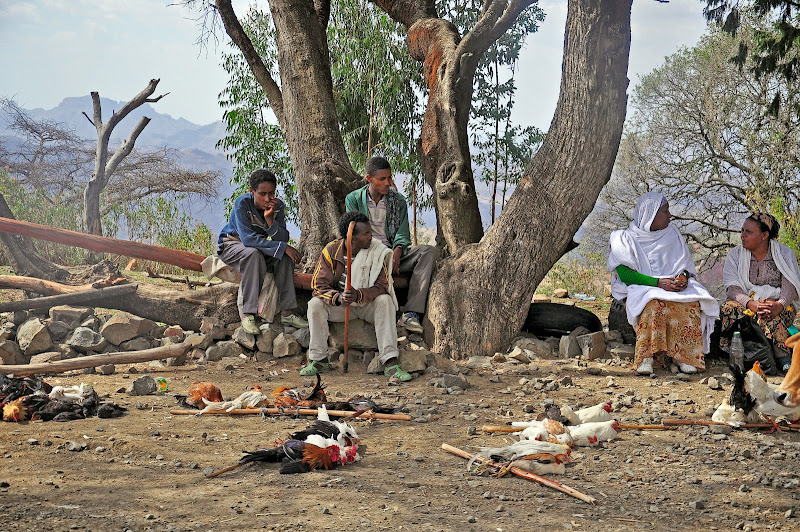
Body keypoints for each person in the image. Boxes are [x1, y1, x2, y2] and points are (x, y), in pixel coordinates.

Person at [607, 191, 719, 375]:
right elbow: (625, 274)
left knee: (690, 302)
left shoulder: (672, 234)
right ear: (650, 215)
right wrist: (658, 283)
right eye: (665, 211)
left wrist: (682, 279)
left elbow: (685, 266)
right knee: (652, 304)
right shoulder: (623, 238)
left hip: (670, 287)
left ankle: (684, 357)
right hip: (643, 288)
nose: (670, 215)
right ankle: (646, 356)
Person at [301, 211, 412, 382]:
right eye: (366, 233)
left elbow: (382, 286)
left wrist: (359, 294)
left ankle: (390, 361)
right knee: (315, 304)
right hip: (341, 306)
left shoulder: (377, 251)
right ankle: (319, 360)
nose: (370, 237)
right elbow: (318, 286)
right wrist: (338, 297)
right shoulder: (331, 251)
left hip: (367, 304)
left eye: (370, 232)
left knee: (385, 300)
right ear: (351, 237)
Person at [345, 156, 436, 334]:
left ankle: (411, 314)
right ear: (369, 179)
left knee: (428, 252)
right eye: (382, 179)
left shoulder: (398, 201)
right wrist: (380, 252)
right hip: (368, 254)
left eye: (389, 178)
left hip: (394, 255)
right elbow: (355, 235)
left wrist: (397, 250)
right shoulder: (354, 199)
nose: (388, 183)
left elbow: (402, 232)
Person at [217, 169, 308, 334]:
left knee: (284, 259)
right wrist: (282, 247)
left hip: (258, 248)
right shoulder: (242, 204)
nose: (267, 199)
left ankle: (288, 313)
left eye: (271, 193)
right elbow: (248, 240)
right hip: (232, 245)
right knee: (253, 254)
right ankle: (247, 313)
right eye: (262, 194)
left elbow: (282, 237)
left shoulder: (277, 206)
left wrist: (269, 220)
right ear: (252, 191)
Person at [721, 212, 800, 373]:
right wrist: (751, 304)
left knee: (771, 314)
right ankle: (737, 353)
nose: (742, 236)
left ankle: (782, 358)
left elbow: (790, 285)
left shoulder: (784, 254)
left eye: (748, 232)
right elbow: (732, 287)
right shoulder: (736, 255)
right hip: (746, 303)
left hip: (777, 303)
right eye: (742, 231)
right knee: (728, 308)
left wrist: (780, 304)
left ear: (764, 235)